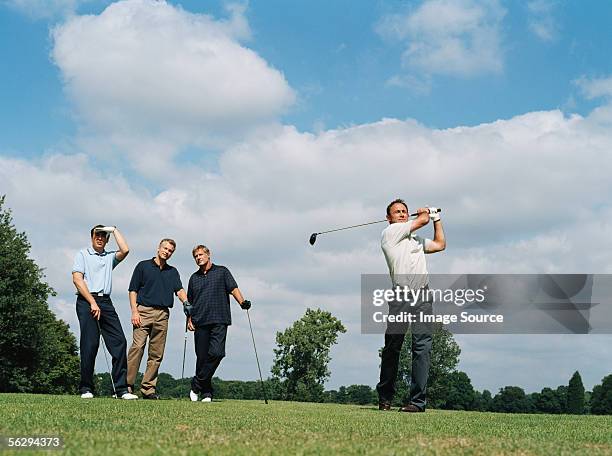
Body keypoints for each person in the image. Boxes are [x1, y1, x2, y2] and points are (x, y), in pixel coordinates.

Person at [376, 199, 446, 412]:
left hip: (423, 297)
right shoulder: (390, 233)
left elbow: (440, 244)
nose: (402, 214)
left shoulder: (414, 240)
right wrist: (425, 213)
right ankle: (385, 397)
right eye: (397, 212)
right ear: (389, 218)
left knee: (422, 347)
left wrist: (437, 219)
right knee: (392, 347)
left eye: (404, 212)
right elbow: (421, 219)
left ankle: (417, 402)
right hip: (401, 296)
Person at [72, 225, 138, 400]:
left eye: (103, 235)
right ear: (92, 237)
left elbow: (125, 249)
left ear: (107, 239)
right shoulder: (82, 254)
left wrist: (114, 230)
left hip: (106, 302)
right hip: (87, 301)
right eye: (96, 235)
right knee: (90, 344)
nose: (99, 238)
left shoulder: (110, 257)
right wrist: (92, 302)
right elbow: (77, 280)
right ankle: (86, 387)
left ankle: (121, 390)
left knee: (119, 342)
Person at [186, 244, 251, 402]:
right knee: (201, 358)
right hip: (199, 321)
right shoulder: (194, 278)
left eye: (201, 255)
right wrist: (189, 319)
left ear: (208, 255)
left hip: (219, 319)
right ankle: (207, 393)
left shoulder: (222, 271)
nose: (198, 258)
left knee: (217, 353)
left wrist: (242, 302)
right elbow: (190, 302)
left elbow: (233, 288)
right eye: (196, 256)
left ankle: (196, 385)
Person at [126, 239, 189, 399]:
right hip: (143, 311)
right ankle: (126, 386)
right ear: (158, 248)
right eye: (165, 248)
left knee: (156, 354)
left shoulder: (172, 271)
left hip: (163, 314)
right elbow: (133, 290)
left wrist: (186, 302)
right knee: (137, 347)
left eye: (170, 251)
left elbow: (179, 290)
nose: (167, 252)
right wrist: (134, 311)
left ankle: (148, 390)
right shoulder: (143, 266)